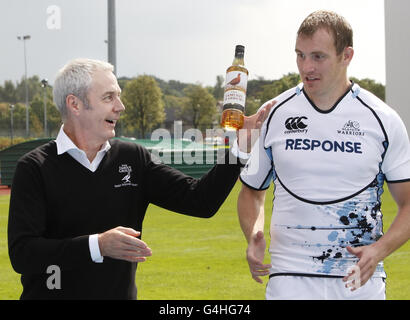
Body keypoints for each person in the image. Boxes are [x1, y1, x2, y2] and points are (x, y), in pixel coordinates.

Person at [7, 58, 272, 299]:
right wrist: (97, 245)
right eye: (108, 97)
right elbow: (23, 254)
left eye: (119, 97)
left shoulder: (132, 158)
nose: (120, 107)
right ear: (75, 104)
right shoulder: (34, 167)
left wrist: (239, 148)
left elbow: (201, 201)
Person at [238, 10, 410, 300]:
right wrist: (253, 233)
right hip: (289, 279)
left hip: (358, 281)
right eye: (300, 55)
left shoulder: (383, 119)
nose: (306, 67)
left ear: (347, 55)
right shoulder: (273, 113)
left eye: (318, 56)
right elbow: (252, 192)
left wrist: (379, 250)